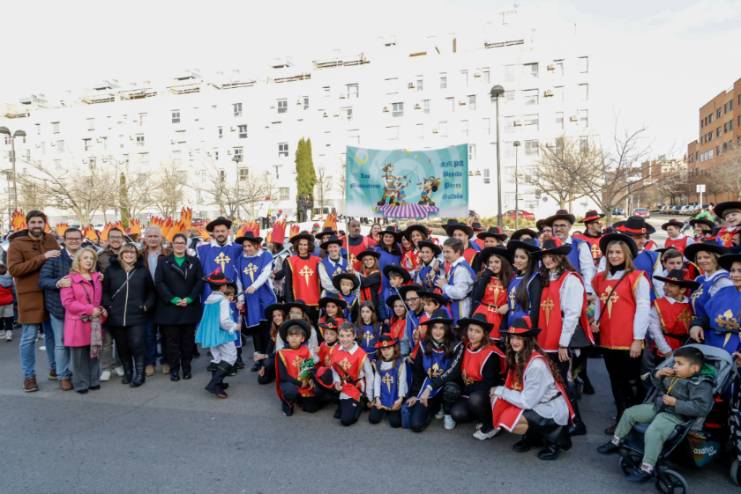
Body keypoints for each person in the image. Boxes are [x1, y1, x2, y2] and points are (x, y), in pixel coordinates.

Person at [597, 346, 715, 482]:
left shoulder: (701, 384)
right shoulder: (675, 374)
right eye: (675, 362)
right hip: (660, 406)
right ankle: (616, 441)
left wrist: (676, 403)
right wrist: (658, 375)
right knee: (629, 413)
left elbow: (702, 408)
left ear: (694, 368)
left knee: (653, 432)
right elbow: (660, 387)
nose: (675, 366)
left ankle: (647, 468)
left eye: (679, 364)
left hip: (676, 415)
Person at [533, 238, 593, 435]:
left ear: (560, 257)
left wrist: (563, 344)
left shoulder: (570, 279)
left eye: (551, 256)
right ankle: (559, 419)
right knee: (550, 381)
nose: (547, 260)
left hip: (559, 339)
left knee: (563, 381)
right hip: (544, 337)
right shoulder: (545, 278)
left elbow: (572, 314)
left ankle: (577, 422)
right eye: (544, 257)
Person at [491, 316, 574, 460]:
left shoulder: (536, 365)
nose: (514, 342)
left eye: (519, 338)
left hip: (549, 406)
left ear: (527, 340)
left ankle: (553, 440)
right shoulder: (520, 355)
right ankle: (533, 436)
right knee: (500, 404)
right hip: (536, 401)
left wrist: (501, 391)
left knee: (511, 420)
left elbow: (527, 402)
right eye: (512, 337)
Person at [591, 233, 650, 433]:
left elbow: (643, 309)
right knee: (616, 381)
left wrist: (638, 339)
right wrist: (596, 320)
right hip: (607, 339)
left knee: (632, 381)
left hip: (628, 340)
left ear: (626, 254)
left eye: (618, 252)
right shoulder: (600, 278)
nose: (614, 256)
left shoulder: (637, 277)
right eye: (610, 252)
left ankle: (636, 423)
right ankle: (621, 418)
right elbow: (599, 302)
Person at [7, 210, 60, 392]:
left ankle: (56, 368)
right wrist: (42, 257)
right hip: (30, 296)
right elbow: (14, 270)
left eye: (40, 222)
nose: (37, 225)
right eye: (33, 222)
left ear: (44, 223)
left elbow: (59, 263)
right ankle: (29, 376)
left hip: (51, 294)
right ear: (27, 224)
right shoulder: (16, 243)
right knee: (29, 337)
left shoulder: (51, 239)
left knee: (52, 335)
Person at [103, 243, 156, 387]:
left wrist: (146, 305)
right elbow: (105, 291)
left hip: (137, 315)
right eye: (126, 252)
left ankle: (140, 375)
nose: (129, 255)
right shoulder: (111, 270)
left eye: (132, 252)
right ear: (120, 255)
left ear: (136, 255)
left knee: (137, 345)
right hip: (116, 316)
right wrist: (109, 306)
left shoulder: (142, 271)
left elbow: (151, 292)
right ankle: (128, 372)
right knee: (122, 347)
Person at [154, 232, 204, 381]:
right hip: (170, 308)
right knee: (172, 342)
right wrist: (172, 299)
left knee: (188, 342)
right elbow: (159, 282)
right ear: (172, 244)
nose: (179, 245)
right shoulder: (163, 261)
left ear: (186, 245)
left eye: (182, 243)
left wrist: (190, 298)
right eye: (177, 243)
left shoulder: (194, 261)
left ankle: (186, 367)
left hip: (189, 307)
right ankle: (174, 369)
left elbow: (199, 282)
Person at [39, 227, 83, 391]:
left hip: (81, 308)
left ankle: (81, 373)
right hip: (59, 307)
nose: (74, 241)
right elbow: (43, 281)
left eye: (77, 238)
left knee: (81, 342)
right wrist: (58, 283)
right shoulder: (55, 258)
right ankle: (63, 376)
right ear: (64, 240)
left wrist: (98, 276)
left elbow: (95, 274)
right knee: (62, 343)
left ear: (82, 239)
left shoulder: (87, 256)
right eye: (70, 238)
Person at [447, 314, 504, 439]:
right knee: (456, 413)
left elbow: (489, 384)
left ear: (484, 334)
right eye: (471, 330)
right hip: (469, 391)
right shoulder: (465, 346)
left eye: (477, 331)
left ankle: (491, 424)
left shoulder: (491, 354)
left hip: (485, 394)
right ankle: (481, 417)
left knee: (475, 399)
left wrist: (464, 390)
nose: (472, 334)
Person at [60, 248, 107, 394]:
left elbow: (97, 299)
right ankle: (81, 383)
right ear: (78, 260)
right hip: (78, 322)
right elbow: (68, 303)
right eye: (85, 258)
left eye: (91, 258)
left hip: (94, 321)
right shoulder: (69, 279)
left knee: (94, 352)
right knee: (79, 356)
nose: (89, 261)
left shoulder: (97, 277)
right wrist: (89, 309)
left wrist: (101, 309)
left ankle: (94, 380)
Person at [406, 317, 460, 432]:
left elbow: (453, 372)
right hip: (428, 386)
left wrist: (430, 388)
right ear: (430, 329)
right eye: (434, 327)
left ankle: (447, 411)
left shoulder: (456, 345)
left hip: (446, 385)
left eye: (441, 328)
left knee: (451, 388)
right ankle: (435, 407)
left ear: (447, 329)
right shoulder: (423, 345)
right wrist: (415, 394)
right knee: (416, 425)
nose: (437, 331)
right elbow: (418, 373)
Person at [195, 270, 239, 399]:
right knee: (230, 356)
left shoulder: (210, 298)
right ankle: (214, 384)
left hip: (211, 333)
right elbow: (224, 321)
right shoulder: (223, 300)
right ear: (223, 286)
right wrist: (234, 326)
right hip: (222, 333)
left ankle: (218, 384)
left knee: (217, 357)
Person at [234, 231, 276, 365]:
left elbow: (265, 274)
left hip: (265, 296)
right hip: (250, 299)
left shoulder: (266, 256)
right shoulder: (240, 260)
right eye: (245, 246)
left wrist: (254, 286)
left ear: (256, 245)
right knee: (255, 329)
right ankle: (258, 360)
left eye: (249, 246)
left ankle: (268, 359)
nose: (247, 249)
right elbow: (239, 281)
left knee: (266, 328)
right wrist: (241, 300)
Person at [687, 241, 734, 351]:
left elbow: (721, 312)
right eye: (699, 258)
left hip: (716, 334)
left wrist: (698, 324)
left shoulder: (723, 280)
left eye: (706, 257)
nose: (702, 261)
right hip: (699, 331)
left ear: (716, 258)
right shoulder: (699, 279)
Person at [542, 209, 596, 299]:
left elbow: (588, 270)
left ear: (570, 227)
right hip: (551, 291)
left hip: (573, 291)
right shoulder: (547, 245)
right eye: (555, 226)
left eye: (562, 225)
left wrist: (588, 291)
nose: (558, 229)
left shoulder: (580, 245)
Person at [97, 226, 126, 380]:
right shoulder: (100, 256)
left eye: (118, 237)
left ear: (122, 239)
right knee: (106, 338)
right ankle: (106, 367)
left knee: (121, 337)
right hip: (106, 300)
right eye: (113, 237)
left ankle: (119, 364)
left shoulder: (128, 253)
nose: (115, 240)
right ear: (108, 239)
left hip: (124, 300)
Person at [331, 322, 374, 426]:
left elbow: (369, 375)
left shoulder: (361, 354)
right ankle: (344, 402)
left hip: (355, 387)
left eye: (348, 336)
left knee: (346, 421)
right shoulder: (335, 349)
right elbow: (334, 369)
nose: (345, 339)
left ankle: (360, 403)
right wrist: (336, 381)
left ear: (354, 336)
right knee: (323, 374)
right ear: (338, 336)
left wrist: (370, 397)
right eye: (342, 336)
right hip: (343, 385)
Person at [275, 319, 321, 416]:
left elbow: (308, 369)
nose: (294, 338)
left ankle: (300, 398)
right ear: (287, 338)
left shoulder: (305, 350)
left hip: (303, 381)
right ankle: (287, 403)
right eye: (291, 335)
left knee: (311, 408)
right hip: (289, 382)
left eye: (297, 336)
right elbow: (283, 376)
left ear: (302, 339)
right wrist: (299, 383)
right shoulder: (282, 353)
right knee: (291, 391)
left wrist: (309, 379)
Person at [647, 270, 697, 357]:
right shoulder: (659, 304)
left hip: (688, 345)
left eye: (671, 285)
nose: (666, 288)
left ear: (682, 290)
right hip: (668, 346)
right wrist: (666, 349)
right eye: (665, 284)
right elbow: (654, 330)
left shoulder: (690, 303)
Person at [471, 246, 512, 342]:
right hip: (482, 314)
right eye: (490, 262)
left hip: (499, 316)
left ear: (503, 263)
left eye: (497, 262)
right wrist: (486, 275)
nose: (493, 265)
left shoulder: (510, 279)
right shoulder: (483, 276)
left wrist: (508, 305)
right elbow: (476, 296)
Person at [369, 335, 407, 428]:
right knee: (373, 419)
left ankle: (390, 410)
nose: (386, 352)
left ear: (394, 348)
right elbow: (377, 382)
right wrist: (377, 398)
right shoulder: (379, 363)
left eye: (389, 348)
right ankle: (384, 409)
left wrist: (400, 399)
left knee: (395, 423)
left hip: (395, 397)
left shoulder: (400, 362)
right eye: (383, 349)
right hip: (382, 397)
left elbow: (402, 381)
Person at [283, 231, 322, 318]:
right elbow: (288, 284)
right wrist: (290, 302)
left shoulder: (317, 260)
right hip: (298, 302)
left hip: (315, 301)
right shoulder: (291, 261)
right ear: (297, 245)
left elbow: (321, 282)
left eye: (305, 245)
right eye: (300, 244)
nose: (302, 247)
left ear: (309, 246)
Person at [436, 238, 475, 322]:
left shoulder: (461, 269)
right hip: (457, 305)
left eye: (448, 252)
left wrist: (444, 286)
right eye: (444, 252)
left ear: (457, 252)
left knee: (459, 327)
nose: (445, 255)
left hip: (461, 308)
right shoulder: (456, 265)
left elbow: (459, 293)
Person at [506, 239, 542, 328]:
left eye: (522, 257)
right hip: (511, 322)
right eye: (516, 256)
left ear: (530, 259)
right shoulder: (514, 277)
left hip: (524, 325)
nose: (518, 260)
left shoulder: (534, 279)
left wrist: (530, 330)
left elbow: (535, 310)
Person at [255, 303, 286, 384]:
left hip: (287, 358)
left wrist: (266, 356)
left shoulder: (288, 329)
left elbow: (284, 350)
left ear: (283, 316)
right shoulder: (274, 329)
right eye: (274, 316)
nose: (276, 318)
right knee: (262, 379)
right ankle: (275, 372)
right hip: (277, 356)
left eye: (279, 315)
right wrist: (263, 366)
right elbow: (269, 349)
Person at [357, 250, 384, 321]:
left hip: (374, 305)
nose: (368, 261)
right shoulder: (362, 273)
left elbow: (364, 283)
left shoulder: (376, 273)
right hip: (362, 305)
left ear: (375, 260)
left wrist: (354, 273)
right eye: (365, 260)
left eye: (370, 259)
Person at [0, 263, 14, 342]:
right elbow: (14, 290)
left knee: (0, 318)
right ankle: (9, 334)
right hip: (9, 301)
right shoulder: (10, 278)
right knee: (8, 318)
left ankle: (1, 333)